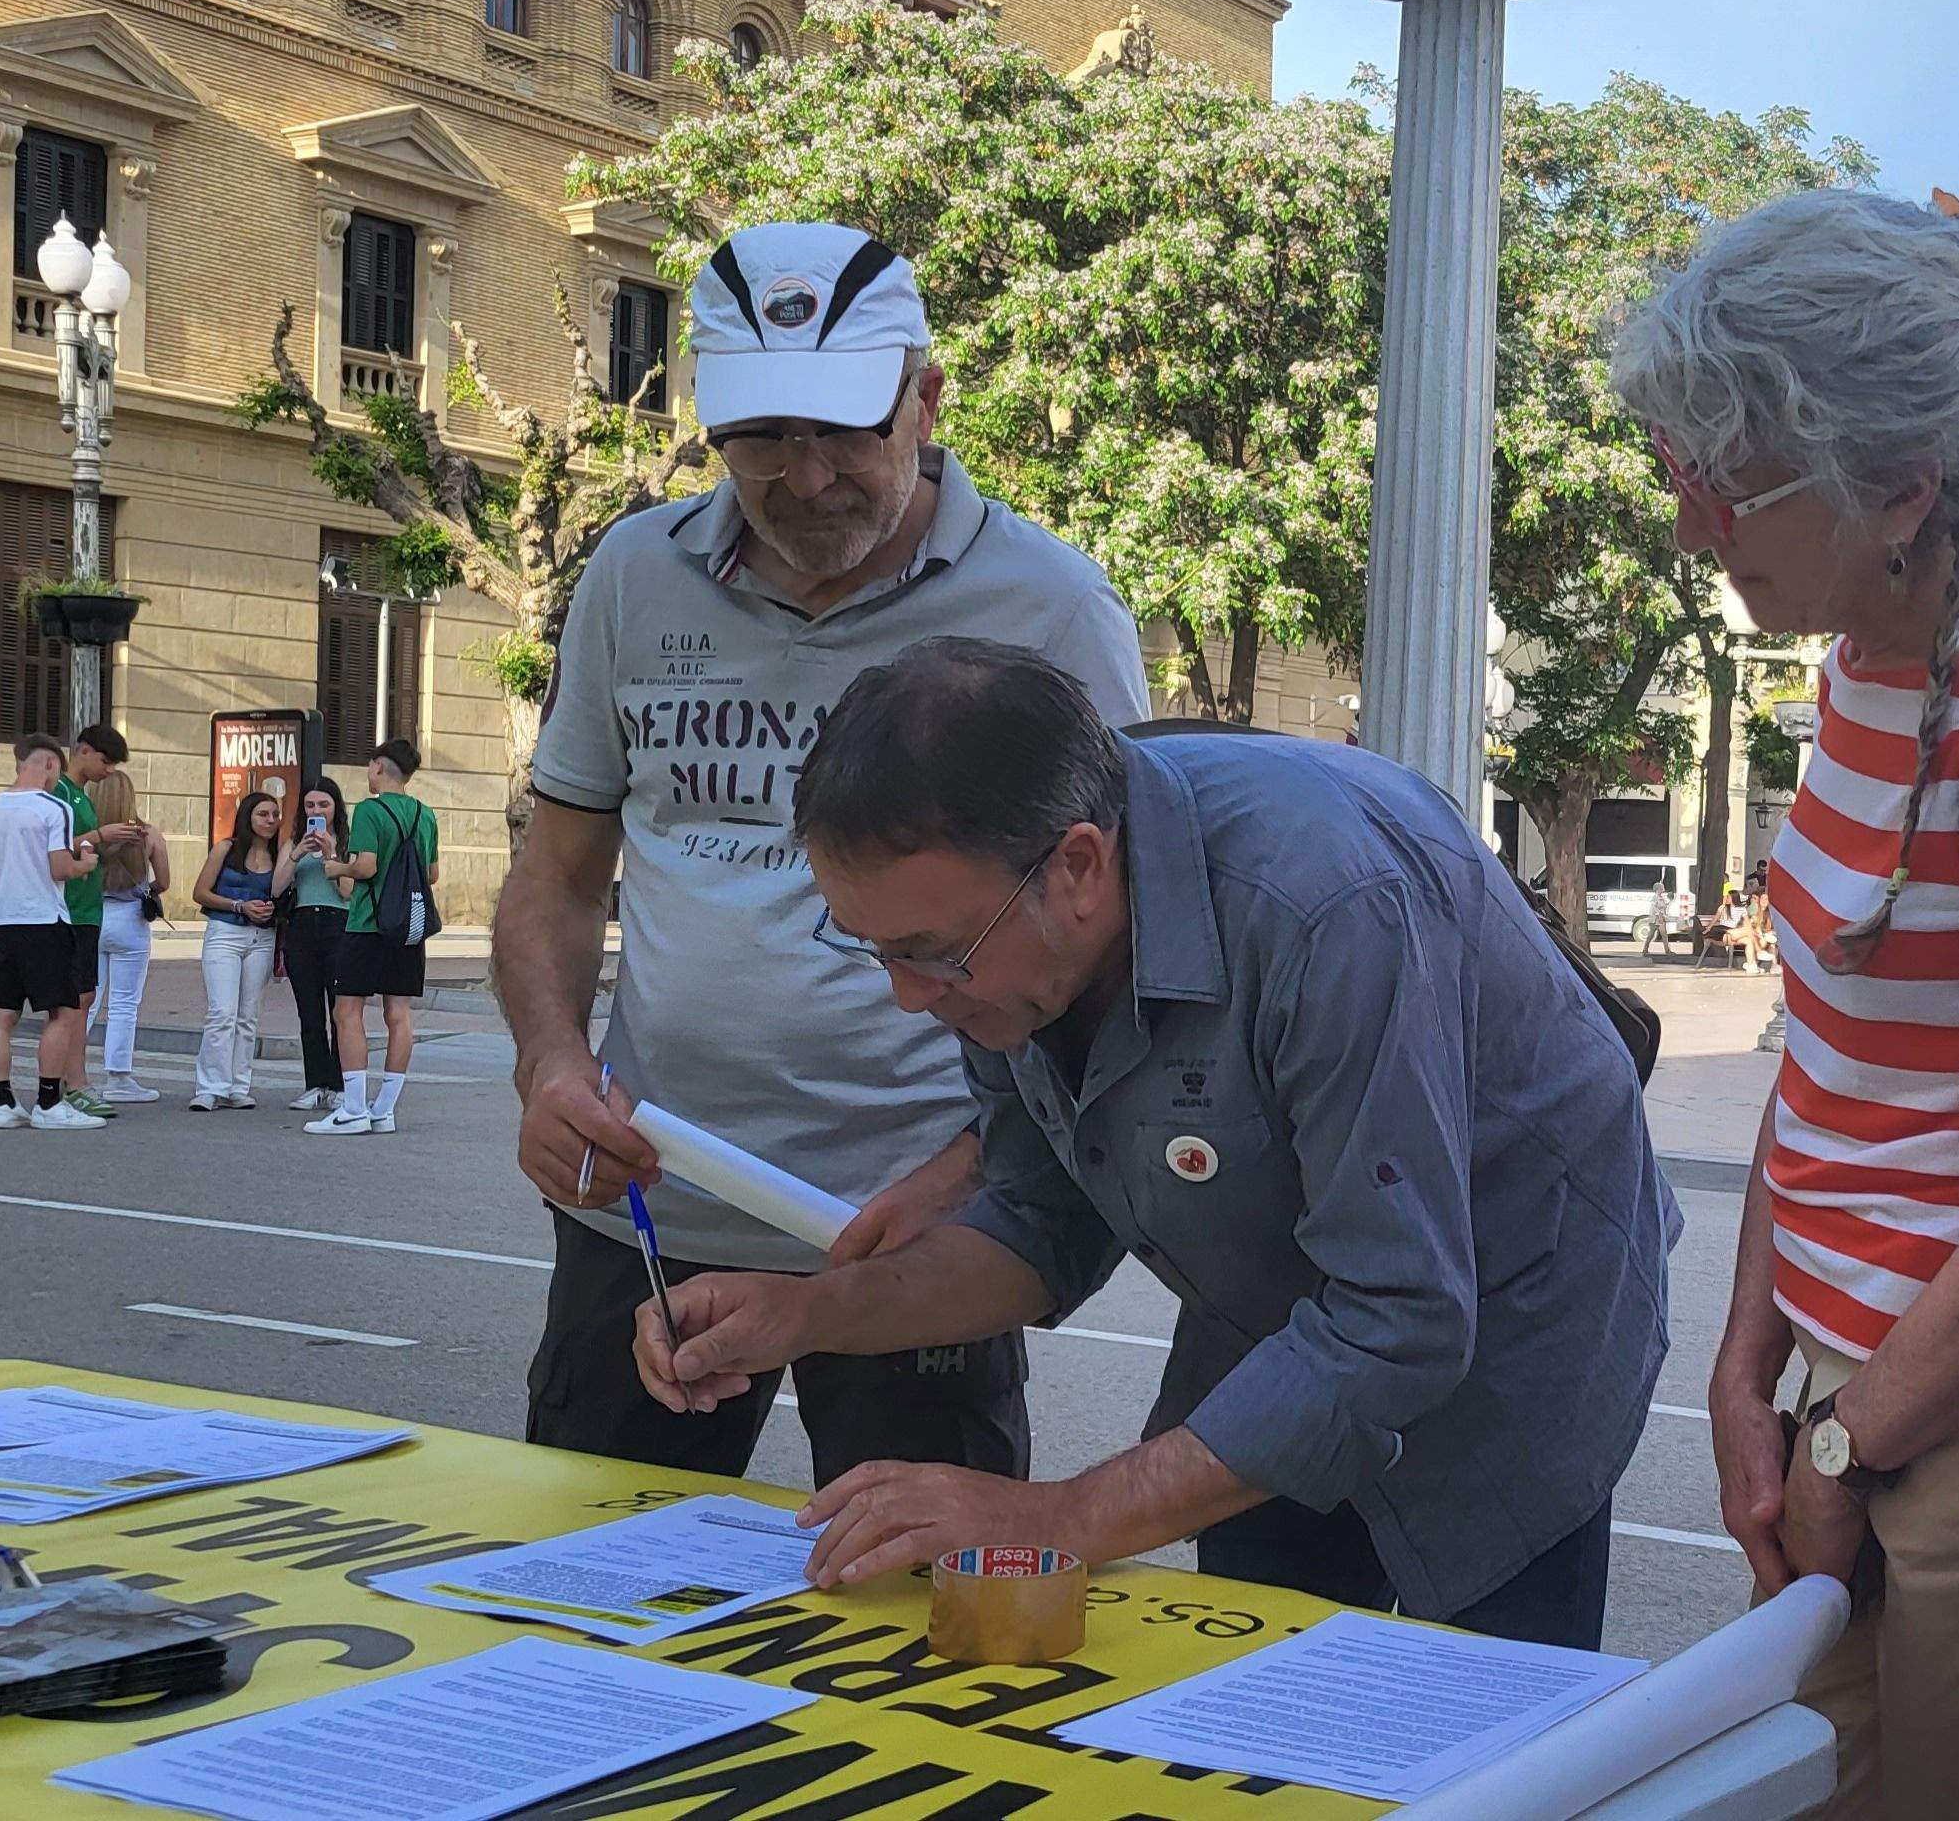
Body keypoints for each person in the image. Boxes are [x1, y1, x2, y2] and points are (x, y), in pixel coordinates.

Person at [633, 639, 1677, 1647]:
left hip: (1519, 1307)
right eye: (877, 954)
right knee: (1263, 1680)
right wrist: (807, 1311)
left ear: (1078, 868)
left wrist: (1061, 1518)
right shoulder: (1007, 933)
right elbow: (1038, 1218)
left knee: (1480, 1731)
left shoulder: (1326, 908)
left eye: (930, 955)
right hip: (1284, 1302)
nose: (912, 999)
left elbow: (1396, 1321)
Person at [1612, 184, 1959, 1821]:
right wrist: (1745, 1370)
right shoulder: (1867, 662)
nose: (1689, 524)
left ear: (1901, 492)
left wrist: (1847, 1447)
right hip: (1843, 1402)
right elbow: (1830, 1060)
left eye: (1724, 486)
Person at [505, 221, 1147, 1494]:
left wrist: (977, 1171)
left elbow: (1121, 928)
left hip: (914, 1228)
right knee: (593, 1593)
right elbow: (559, 873)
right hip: (646, 1202)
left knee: (919, 1612)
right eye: (762, 439)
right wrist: (552, 1064)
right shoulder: (634, 575)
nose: (804, 481)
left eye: (844, 432)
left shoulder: (1053, 606)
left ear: (924, 397)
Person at [0, 735, 106, 1130]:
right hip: (45, 921)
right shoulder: (53, 808)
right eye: (55, 772)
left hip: (4, 923)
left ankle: (2, 1103)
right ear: (50, 764)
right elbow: (60, 869)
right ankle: (49, 1103)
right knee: (63, 1012)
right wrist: (86, 863)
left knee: (2, 1015)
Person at [308, 740, 435, 1135]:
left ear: (379, 766)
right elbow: (430, 875)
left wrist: (333, 867)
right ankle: (384, 1109)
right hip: (408, 927)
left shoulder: (370, 810)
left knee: (346, 1011)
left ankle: (353, 1107)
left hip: (367, 924)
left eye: (369, 766)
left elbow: (365, 867)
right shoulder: (424, 814)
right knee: (398, 1015)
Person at [72, 724, 165, 1106]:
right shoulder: (147, 834)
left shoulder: (90, 830)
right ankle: (119, 1077)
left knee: (85, 1002)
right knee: (125, 1001)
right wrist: (148, 888)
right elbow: (166, 882)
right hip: (130, 918)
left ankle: (71, 1072)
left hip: (94, 915)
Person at [188, 789, 286, 1111]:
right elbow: (200, 893)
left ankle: (238, 1086)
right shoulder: (226, 849)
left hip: (262, 938)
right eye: (263, 814)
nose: (270, 820)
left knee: (248, 1016)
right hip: (224, 934)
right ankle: (208, 1087)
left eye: (274, 814)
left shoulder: (280, 855)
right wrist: (239, 905)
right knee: (221, 1013)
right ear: (248, 817)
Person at [279, 778, 352, 1113]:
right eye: (310, 806)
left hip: (338, 925)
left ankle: (338, 1084)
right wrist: (296, 854)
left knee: (341, 1011)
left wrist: (331, 854)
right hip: (303, 926)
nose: (317, 811)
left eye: (323, 805)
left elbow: (348, 891)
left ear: (335, 807)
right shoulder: (294, 841)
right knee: (309, 1012)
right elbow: (276, 888)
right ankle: (314, 1083)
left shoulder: (348, 842)